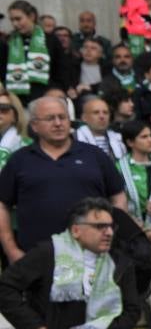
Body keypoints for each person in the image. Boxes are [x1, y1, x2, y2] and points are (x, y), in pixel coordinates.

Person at [0, 196, 151, 329]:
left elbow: (131, 311)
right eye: (100, 226)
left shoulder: (119, 263)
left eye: (111, 226)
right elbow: (5, 287)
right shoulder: (47, 253)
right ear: (76, 230)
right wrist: (33, 327)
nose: (108, 232)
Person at [0, 95, 126, 263]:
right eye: (50, 118)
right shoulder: (19, 160)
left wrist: (111, 236)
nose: (58, 123)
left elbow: (118, 198)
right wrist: (12, 251)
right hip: (35, 261)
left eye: (63, 117)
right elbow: (2, 205)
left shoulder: (95, 155)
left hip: (92, 259)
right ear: (35, 126)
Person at [115, 120, 151, 236]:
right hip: (130, 231)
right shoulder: (119, 167)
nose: (150, 140)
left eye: (150, 136)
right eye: (144, 137)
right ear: (130, 142)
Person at [6, 0, 64, 102]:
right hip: (16, 100)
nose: (15, 24)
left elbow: (61, 71)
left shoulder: (51, 40)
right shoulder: (8, 42)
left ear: (31, 16)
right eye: (12, 20)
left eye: (18, 19)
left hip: (45, 97)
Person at [76, 96, 126, 161]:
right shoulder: (74, 139)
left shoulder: (118, 139)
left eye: (105, 112)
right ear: (84, 117)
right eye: (96, 112)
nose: (102, 116)